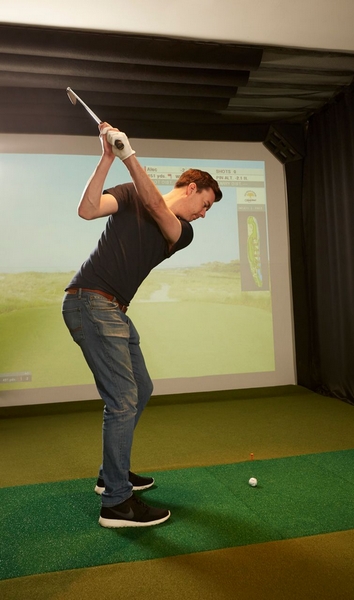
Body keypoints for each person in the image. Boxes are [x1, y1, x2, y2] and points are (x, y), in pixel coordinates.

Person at [62, 123, 222, 528]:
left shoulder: (181, 232)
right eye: (205, 204)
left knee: (140, 388)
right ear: (191, 188)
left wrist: (127, 155)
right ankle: (116, 503)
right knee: (122, 400)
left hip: (113, 309)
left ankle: (110, 475)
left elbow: (156, 206)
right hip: (91, 301)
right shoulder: (130, 193)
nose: (203, 214)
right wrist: (107, 158)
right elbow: (87, 210)